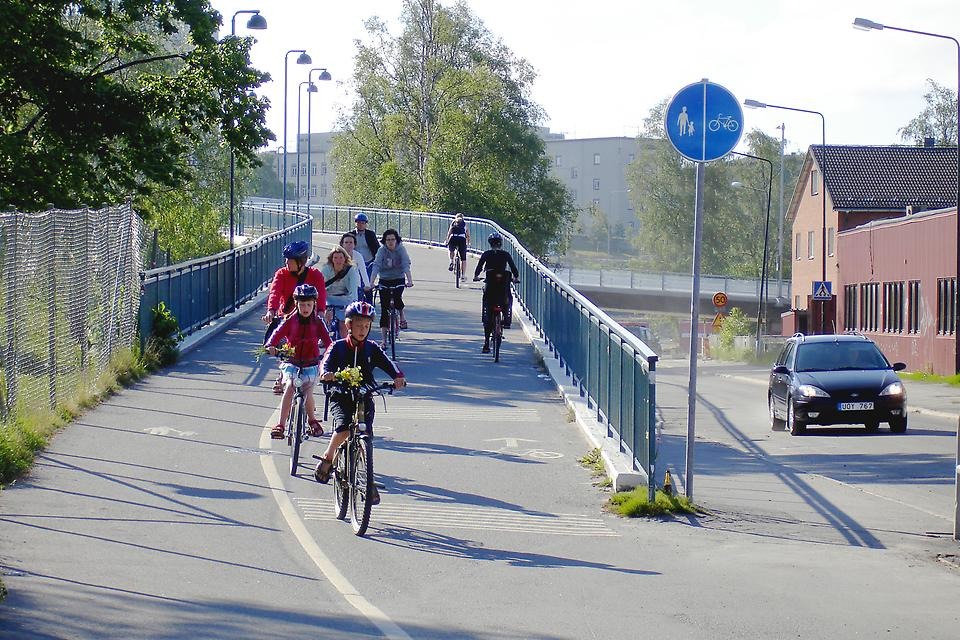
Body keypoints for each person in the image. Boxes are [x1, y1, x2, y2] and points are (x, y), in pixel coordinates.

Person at [314, 300, 406, 505]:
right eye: (358, 325)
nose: (363, 330)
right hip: (340, 393)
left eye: (366, 326)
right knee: (345, 425)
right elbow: (325, 363)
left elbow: (388, 364)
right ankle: (328, 458)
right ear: (348, 326)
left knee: (366, 434)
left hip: (365, 394)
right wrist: (327, 374)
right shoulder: (337, 347)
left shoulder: (372, 348)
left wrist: (398, 376)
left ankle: (366, 476)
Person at [265, 284, 333, 440]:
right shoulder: (290, 320)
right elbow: (276, 334)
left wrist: (330, 356)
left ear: (314, 304)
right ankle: (281, 424)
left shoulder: (318, 322)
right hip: (292, 362)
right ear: (296, 304)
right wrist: (271, 346)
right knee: (289, 386)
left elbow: (329, 343)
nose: (305, 308)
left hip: (311, 364)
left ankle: (311, 420)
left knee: (308, 392)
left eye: (309, 304)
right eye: (302, 304)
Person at [262, 240, 327, 394]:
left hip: (308, 318)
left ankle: (307, 397)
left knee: (307, 349)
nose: (286, 263)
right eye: (285, 260)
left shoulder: (315, 275)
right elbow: (275, 293)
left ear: (300, 262)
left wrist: (321, 312)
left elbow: (322, 294)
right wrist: (271, 311)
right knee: (285, 348)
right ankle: (282, 375)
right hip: (287, 318)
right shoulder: (281, 274)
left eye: (289, 260)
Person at [473, 232, 519, 353]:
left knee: (487, 309)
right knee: (508, 298)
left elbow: (479, 266)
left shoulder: (487, 254)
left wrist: (476, 276)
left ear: (490, 243)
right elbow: (513, 268)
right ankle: (507, 319)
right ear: (501, 243)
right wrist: (516, 278)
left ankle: (486, 343)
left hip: (491, 289)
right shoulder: (506, 254)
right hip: (503, 289)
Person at [369, 228, 414, 346]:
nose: (390, 242)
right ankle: (383, 340)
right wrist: (371, 282)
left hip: (398, 278)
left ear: (396, 240)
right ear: (384, 241)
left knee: (397, 297)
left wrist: (410, 280)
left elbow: (405, 265)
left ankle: (402, 316)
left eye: (393, 239)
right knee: (384, 308)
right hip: (385, 279)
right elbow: (376, 266)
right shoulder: (381, 251)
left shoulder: (401, 249)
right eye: (388, 240)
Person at [320, 246, 361, 339]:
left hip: (344, 298)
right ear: (331, 259)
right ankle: (323, 337)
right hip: (329, 297)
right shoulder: (327, 269)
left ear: (345, 259)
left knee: (343, 322)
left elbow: (353, 290)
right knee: (324, 318)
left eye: (341, 258)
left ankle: (344, 342)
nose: (338, 260)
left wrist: (354, 304)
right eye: (335, 258)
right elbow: (320, 286)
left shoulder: (351, 270)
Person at [339, 232, 373, 302]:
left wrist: (367, 285)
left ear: (354, 245)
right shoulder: (337, 256)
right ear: (342, 244)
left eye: (351, 242)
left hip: (356, 286)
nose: (349, 244)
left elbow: (363, 271)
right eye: (346, 242)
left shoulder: (358, 256)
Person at [351, 213, 380, 280]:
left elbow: (376, 248)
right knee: (356, 280)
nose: (361, 225)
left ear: (366, 224)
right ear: (355, 223)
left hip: (369, 262)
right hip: (355, 262)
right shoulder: (351, 234)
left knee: (367, 280)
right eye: (358, 222)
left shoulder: (370, 234)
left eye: (363, 223)